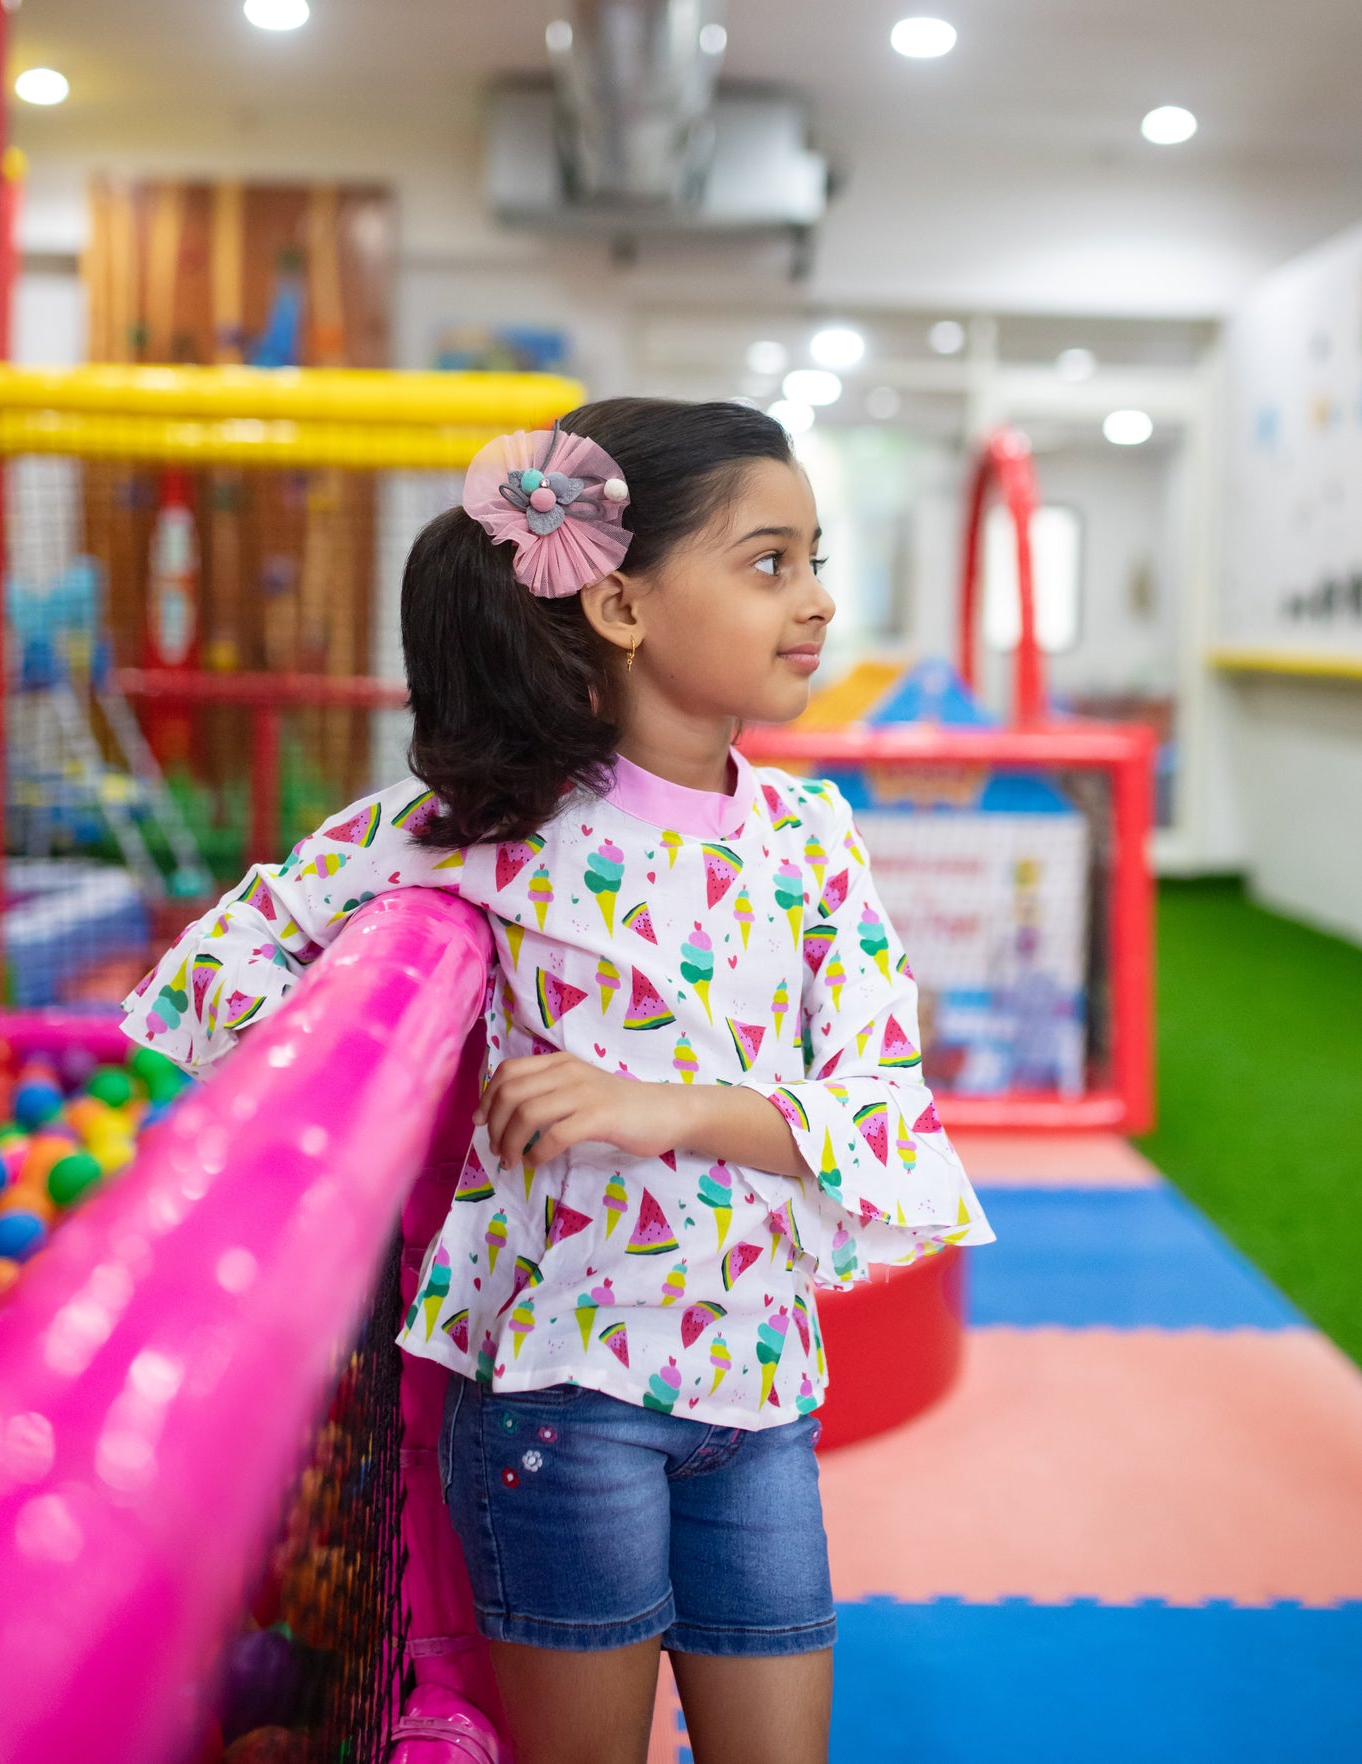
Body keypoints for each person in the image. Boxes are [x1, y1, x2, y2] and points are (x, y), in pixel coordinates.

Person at [121, 398, 996, 1764]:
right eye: (769, 563)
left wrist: (666, 1109)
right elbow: (214, 981)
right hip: (561, 1404)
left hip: (760, 1398)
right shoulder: (487, 829)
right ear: (625, 606)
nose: (817, 601)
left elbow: (887, 1116)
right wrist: (394, 1043)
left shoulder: (812, 843)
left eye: (814, 559)